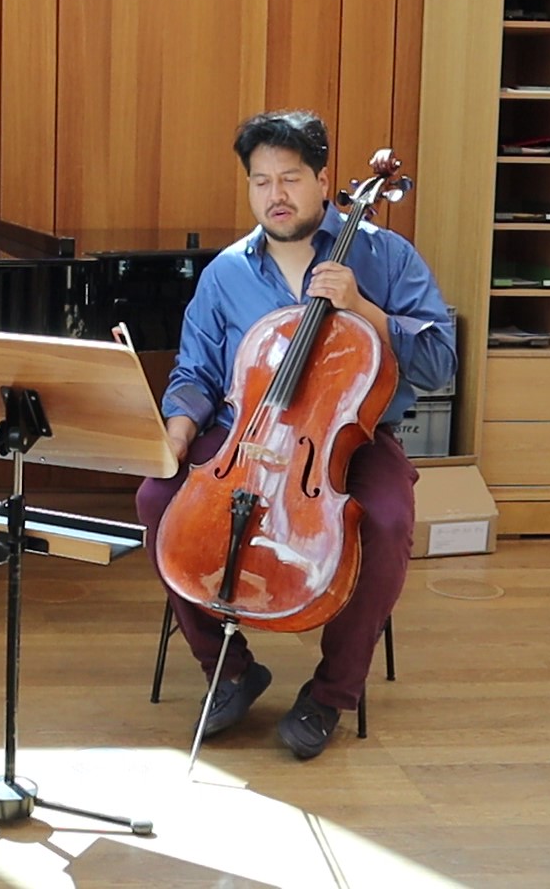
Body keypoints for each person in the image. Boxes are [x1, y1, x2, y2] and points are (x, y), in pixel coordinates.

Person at [136, 110, 456, 760]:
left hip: (348, 441)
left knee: (389, 521)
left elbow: (441, 361)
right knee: (155, 498)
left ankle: (332, 692)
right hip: (243, 434)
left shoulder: (387, 257)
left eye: (289, 178)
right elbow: (195, 369)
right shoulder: (226, 272)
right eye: (260, 182)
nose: (275, 196)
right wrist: (175, 436)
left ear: (322, 180)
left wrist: (366, 311)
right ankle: (228, 671)